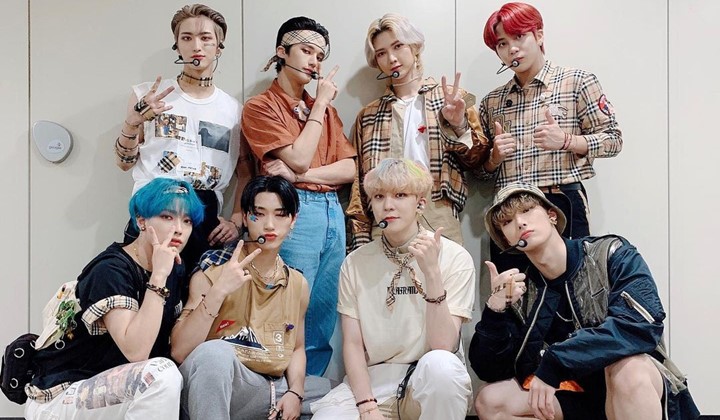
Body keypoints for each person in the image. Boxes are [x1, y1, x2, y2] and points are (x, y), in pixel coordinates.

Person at [469, 182, 700, 420]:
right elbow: (490, 370)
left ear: (552, 216)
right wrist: (495, 309)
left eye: (527, 210)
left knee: (628, 371)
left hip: (633, 388)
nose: (520, 222)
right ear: (506, 240)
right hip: (578, 396)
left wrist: (557, 360)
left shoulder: (611, 253)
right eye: (507, 221)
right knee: (491, 401)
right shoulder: (520, 290)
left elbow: (640, 326)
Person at [24, 178, 205, 419]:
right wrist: (159, 276)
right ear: (141, 221)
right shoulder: (111, 269)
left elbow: (174, 348)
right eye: (167, 217)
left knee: (177, 372)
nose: (179, 229)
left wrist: (218, 292)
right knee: (160, 374)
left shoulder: (174, 268)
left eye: (187, 220)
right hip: (63, 394)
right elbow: (136, 351)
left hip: (115, 391)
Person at [312, 159, 475, 420]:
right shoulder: (355, 262)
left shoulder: (454, 257)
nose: (388, 205)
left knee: (442, 367)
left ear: (420, 203)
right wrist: (367, 406)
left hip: (428, 377)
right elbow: (353, 344)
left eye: (400, 195)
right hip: (375, 380)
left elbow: (443, 345)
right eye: (379, 197)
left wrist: (432, 273)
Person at [241, 16, 357, 376]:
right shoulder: (260, 106)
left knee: (323, 309)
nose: (314, 62)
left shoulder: (326, 110)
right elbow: (300, 156)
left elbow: (349, 169)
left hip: (331, 209)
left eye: (320, 56)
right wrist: (320, 105)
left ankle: (310, 390)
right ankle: (278, 389)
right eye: (306, 51)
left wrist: (299, 175)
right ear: (282, 51)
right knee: (287, 308)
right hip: (290, 209)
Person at [478, 2, 622, 272]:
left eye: (519, 36)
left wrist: (567, 141)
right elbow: (481, 174)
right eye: (502, 44)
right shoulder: (492, 102)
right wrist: (493, 158)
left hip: (560, 200)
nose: (512, 49)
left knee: (573, 284)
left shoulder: (577, 81)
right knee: (512, 289)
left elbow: (613, 140)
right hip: (509, 210)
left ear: (539, 35)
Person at [171, 175, 331, 420]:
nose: (269, 225)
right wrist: (218, 291)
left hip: (269, 387)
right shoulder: (214, 268)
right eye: (259, 214)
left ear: (293, 220)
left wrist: (295, 393)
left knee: (344, 393)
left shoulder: (297, 283)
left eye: (280, 214)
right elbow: (180, 351)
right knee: (214, 353)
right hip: (222, 384)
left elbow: (296, 347)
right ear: (245, 217)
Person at [114, 4, 247, 270]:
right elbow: (124, 163)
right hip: (154, 203)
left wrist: (236, 220)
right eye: (187, 38)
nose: (196, 46)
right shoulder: (147, 96)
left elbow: (245, 172)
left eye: (205, 38)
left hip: (204, 212)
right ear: (177, 45)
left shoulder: (234, 110)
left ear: (219, 46)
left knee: (197, 291)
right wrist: (133, 122)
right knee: (142, 285)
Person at [346, 13, 490, 251]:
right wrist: (360, 237)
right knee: (386, 275)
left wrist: (458, 125)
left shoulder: (452, 98)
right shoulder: (368, 116)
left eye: (398, 46)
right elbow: (358, 186)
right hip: (384, 212)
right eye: (381, 53)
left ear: (414, 46)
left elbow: (478, 160)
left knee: (443, 273)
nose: (392, 58)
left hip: (437, 209)